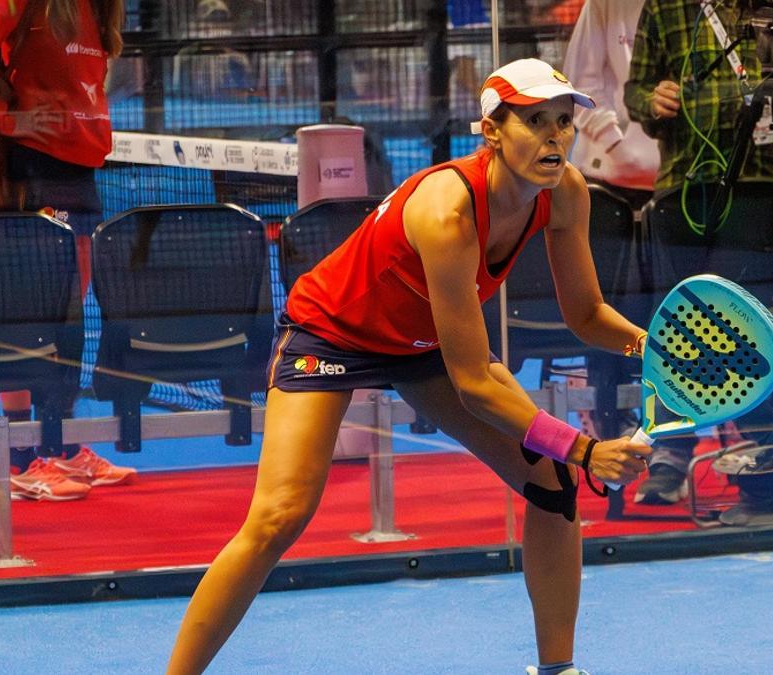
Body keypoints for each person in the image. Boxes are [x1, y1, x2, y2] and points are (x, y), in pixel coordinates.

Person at [167, 58, 653, 675]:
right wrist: (583, 450)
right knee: (278, 516)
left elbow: (586, 316)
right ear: (493, 131)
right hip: (331, 332)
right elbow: (476, 385)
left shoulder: (565, 194)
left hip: (423, 345)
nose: (556, 137)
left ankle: (558, 670)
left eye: (563, 121)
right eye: (536, 121)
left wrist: (658, 349)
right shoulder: (447, 211)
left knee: (550, 487)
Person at [624, 0, 773, 509]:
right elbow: (636, 90)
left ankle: (763, 443)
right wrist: (655, 99)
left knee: (752, 318)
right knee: (679, 321)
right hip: (684, 184)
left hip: (762, 187)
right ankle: (671, 451)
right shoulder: (665, 7)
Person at [0, 0, 134, 501]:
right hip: (33, 176)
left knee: (67, 323)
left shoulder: (98, 10)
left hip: (81, 179)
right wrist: (10, 118)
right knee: (29, 321)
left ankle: (63, 445)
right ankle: (22, 460)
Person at [561, 0, 659, 197]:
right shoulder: (603, 4)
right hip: (609, 177)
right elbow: (581, 85)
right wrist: (616, 145)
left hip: (684, 178)